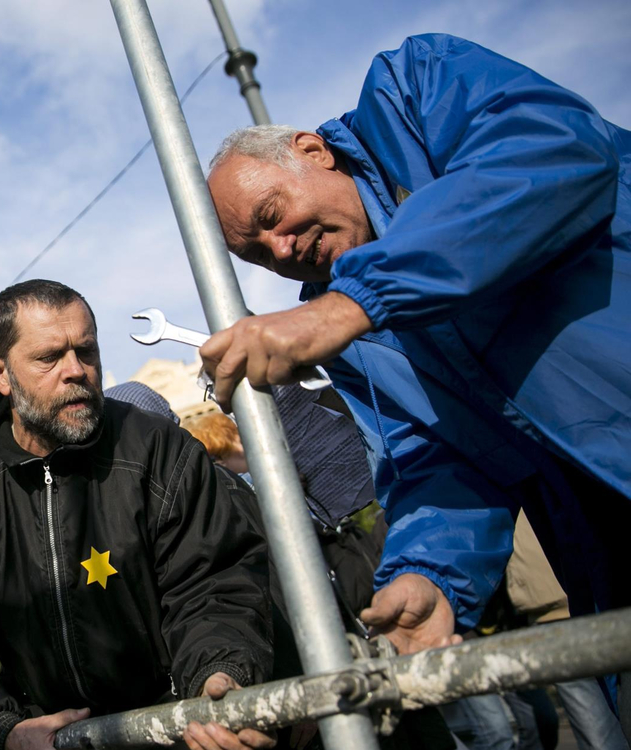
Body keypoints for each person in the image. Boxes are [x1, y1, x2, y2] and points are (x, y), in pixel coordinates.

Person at [196, 35, 631, 674]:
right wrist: (428, 574)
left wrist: (351, 304)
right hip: (605, 548)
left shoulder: (416, 91)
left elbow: (550, 154)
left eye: (273, 214)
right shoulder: (352, 336)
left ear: (312, 151)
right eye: (258, 252)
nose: (282, 251)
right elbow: (432, 458)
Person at [0, 280, 277, 750]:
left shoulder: (160, 451)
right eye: (50, 357)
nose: (76, 370)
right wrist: (7, 734)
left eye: (87, 350)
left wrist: (221, 675)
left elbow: (216, 583)